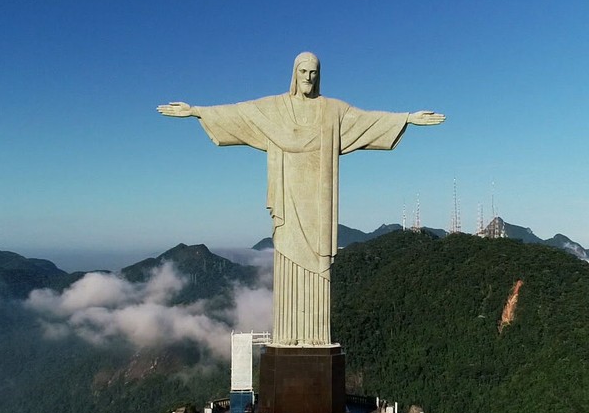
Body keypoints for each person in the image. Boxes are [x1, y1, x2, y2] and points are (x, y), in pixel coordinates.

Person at [158, 52, 445, 345]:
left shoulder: (333, 111)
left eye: (314, 72)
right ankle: (287, 336)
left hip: (318, 203)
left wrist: (407, 119)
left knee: (318, 266)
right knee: (288, 261)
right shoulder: (275, 109)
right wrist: (196, 111)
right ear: (294, 74)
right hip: (287, 197)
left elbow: (367, 121)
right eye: (303, 71)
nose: (308, 77)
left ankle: (316, 337)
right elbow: (239, 113)